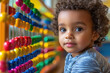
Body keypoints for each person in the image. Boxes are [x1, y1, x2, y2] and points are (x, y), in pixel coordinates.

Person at [51, 0, 110, 73]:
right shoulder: (71, 55)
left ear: (94, 34)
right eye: (63, 29)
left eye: (78, 29)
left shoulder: (86, 61)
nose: (68, 35)